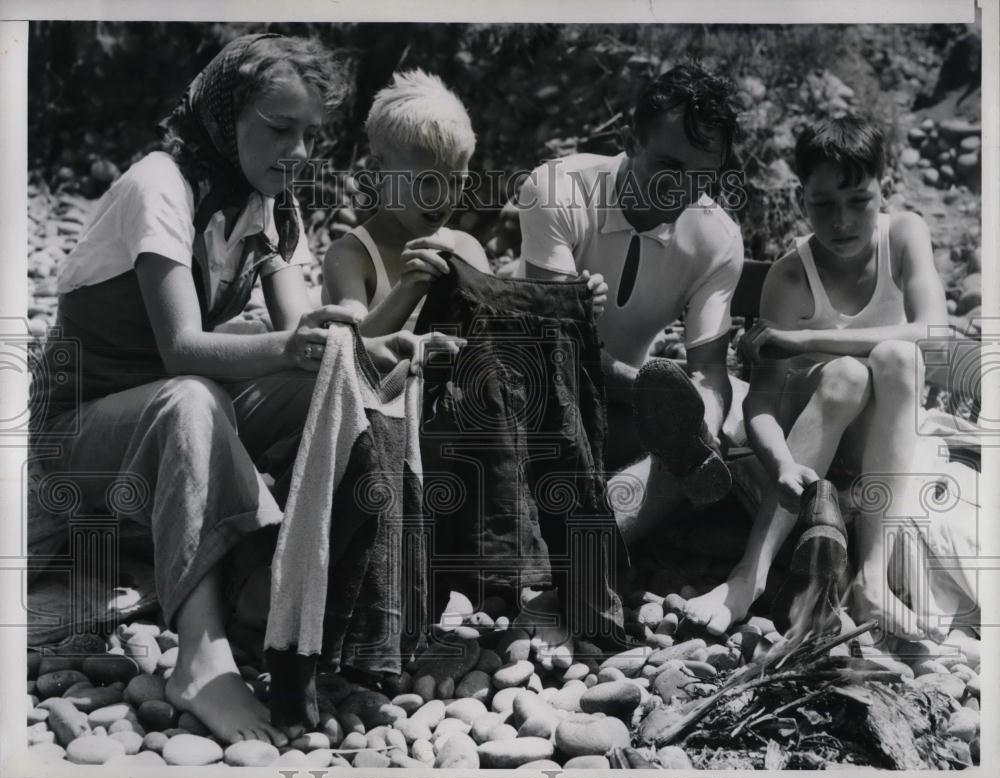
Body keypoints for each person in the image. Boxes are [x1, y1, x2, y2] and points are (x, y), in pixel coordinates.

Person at [29, 34, 458, 745]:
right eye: (278, 127)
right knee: (192, 395)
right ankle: (199, 653)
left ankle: (321, 599)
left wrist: (380, 350)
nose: (296, 151)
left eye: (308, 135)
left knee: (348, 379)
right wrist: (294, 346)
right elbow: (182, 347)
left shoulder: (269, 206)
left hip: (172, 422)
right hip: (79, 436)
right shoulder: (159, 185)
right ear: (226, 117)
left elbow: (307, 337)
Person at [684, 116, 953, 641]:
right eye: (823, 204)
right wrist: (780, 463)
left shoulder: (903, 235)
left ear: (884, 188)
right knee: (850, 375)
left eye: (859, 201)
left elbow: (935, 335)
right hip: (803, 455)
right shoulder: (790, 277)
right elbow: (759, 404)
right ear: (801, 198)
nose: (843, 221)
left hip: (880, 454)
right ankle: (748, 577)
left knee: (898, 357)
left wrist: (807, 341)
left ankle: (872, 578)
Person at [513, 62, 744, 654]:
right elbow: (554, 344)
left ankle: (586, 541)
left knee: (705, 435)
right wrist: (656, 394)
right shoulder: (556, 189)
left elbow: (709, 370)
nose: (684, 189)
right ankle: (567, 547)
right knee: (561, 385)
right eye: (669, 166)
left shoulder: (716, 238)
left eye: (703, 175)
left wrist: (703, 426)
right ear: (629, 142)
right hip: (537, 399)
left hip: (623, 417)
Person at [322, 68, 608, 332]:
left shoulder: (465, 249)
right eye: (427, 181)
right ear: (376, 173)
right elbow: (349, 351)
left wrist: (571, 304)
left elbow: (501, 333)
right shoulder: (350, 257)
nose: (443, 198)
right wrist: (407, 291)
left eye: (456, 181)